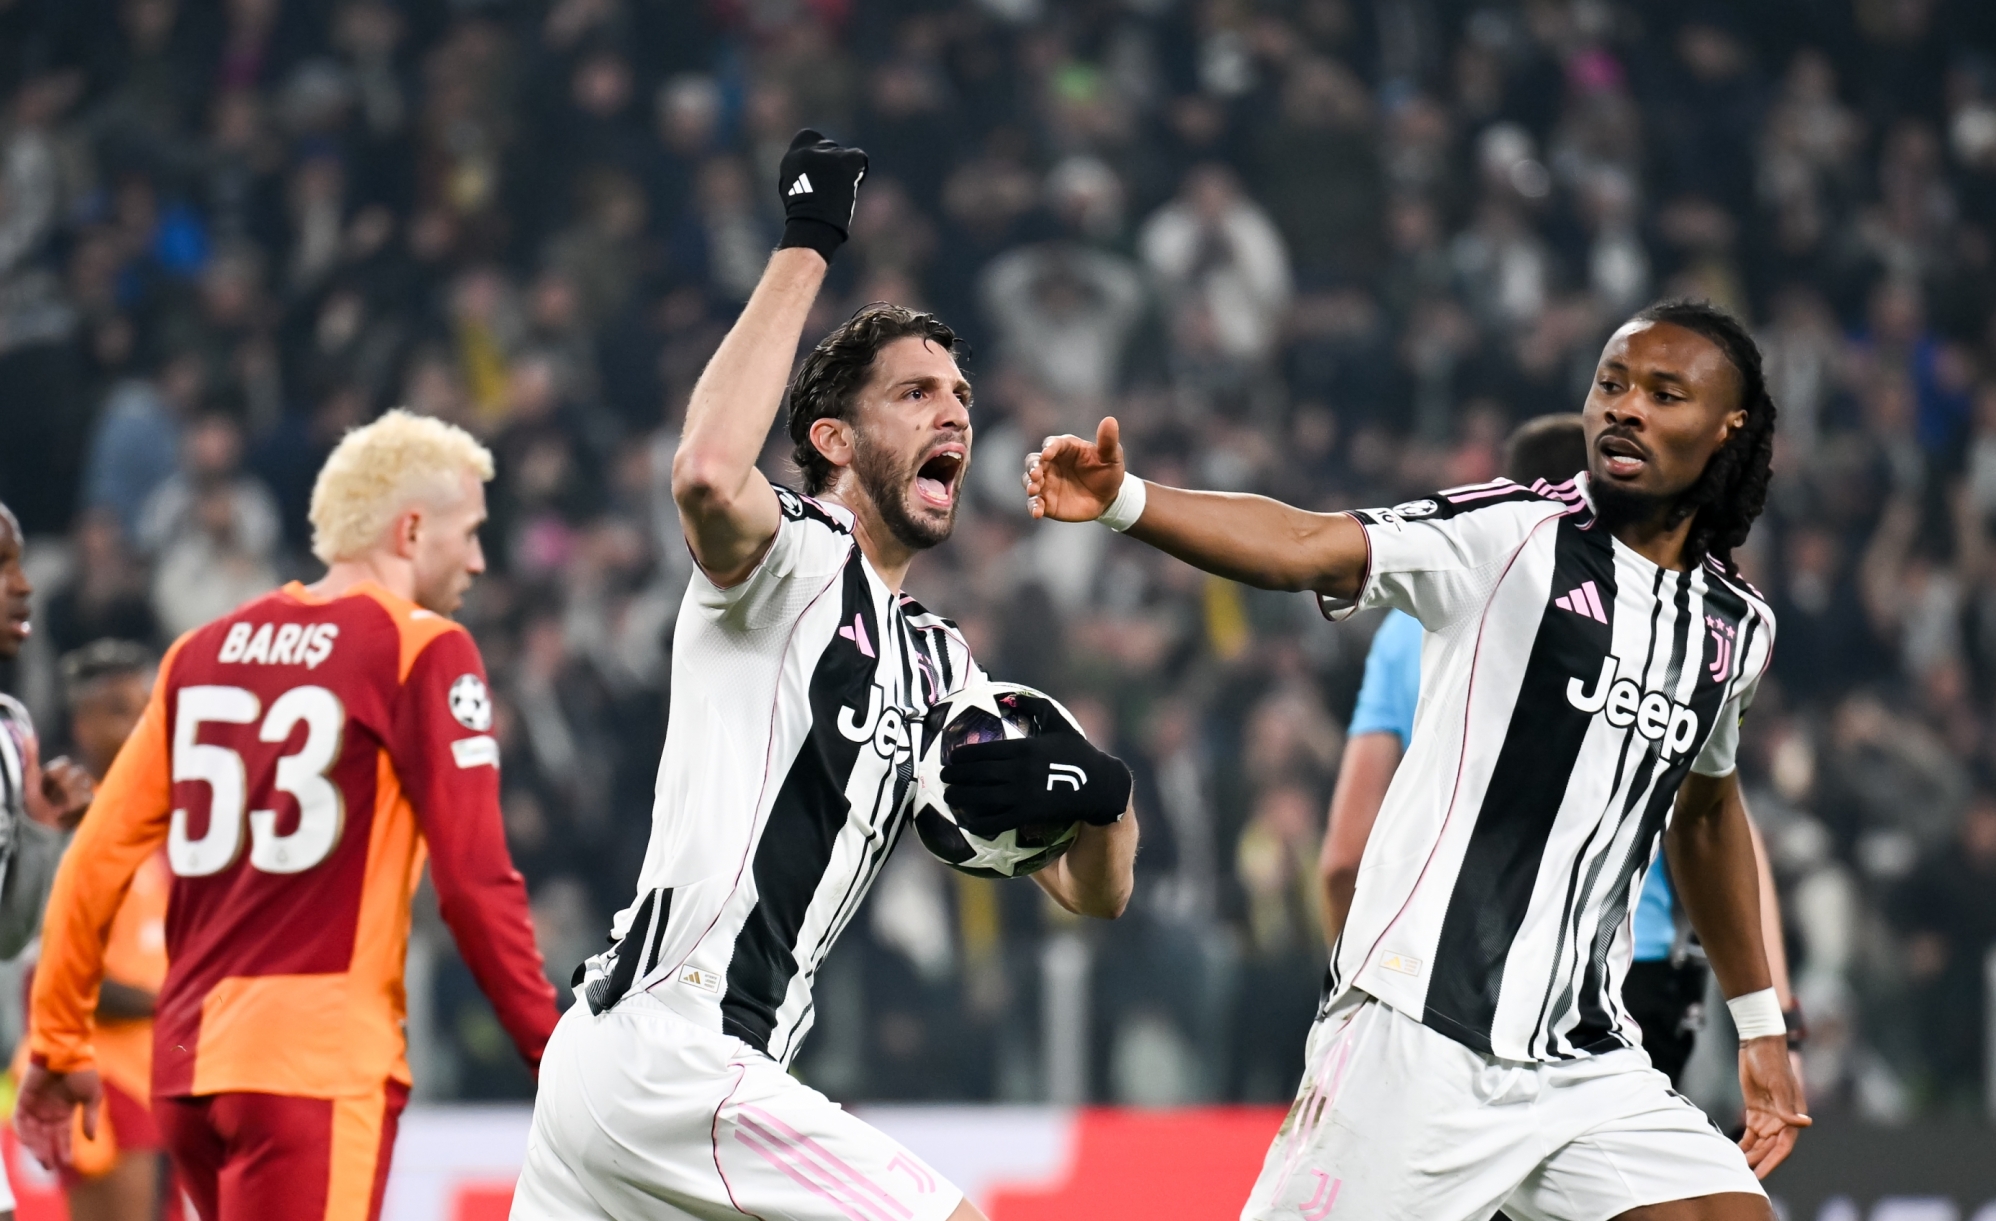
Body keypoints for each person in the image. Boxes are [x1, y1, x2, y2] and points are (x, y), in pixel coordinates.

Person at [1028, 300, 1809, 1221]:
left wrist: (1761, 1028)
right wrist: (1127, 500)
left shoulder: (1733, 628)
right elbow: (1308, 543)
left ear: (1731, 428)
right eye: (1611, 384)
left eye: (1663, 393)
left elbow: (1708, 814)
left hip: (1582, 1057)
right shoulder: (1510, 535)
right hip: (1416, 1036)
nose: (1625, 408)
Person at [511, 132, 1138, 1221]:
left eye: (962, 396)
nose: (956, 414)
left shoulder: (946, 670)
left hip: (653, 1081)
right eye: (916, 394)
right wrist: (809, 241)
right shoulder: (792, 554)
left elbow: (1095, 892)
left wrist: (1105, 794)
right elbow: (708, 469)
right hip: (674, 1050)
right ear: (833, 439)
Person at [18, 411, 562, 1221]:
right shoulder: (423, 649)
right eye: (471, 532)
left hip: (189, 1072)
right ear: (412, 529)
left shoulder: (201, 651)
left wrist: (57, 1044)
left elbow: (94, 858)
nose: (480, 559)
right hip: (312, 1065)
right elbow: (475, 883)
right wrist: (552, 1052)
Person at [1324, 414, 1804, 1088]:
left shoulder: (1407, 631)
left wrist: (1366, 995)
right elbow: (1720, 828)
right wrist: (1776, 1014)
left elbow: (1343, 855)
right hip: (1626, 974)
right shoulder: (1669, 631)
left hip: (1444, 966)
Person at [0, 501, 100, 1221]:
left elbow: (6, 938)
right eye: (1, 565)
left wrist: (38, 830)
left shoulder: (13, 732)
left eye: (20, 562)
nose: (24, 584)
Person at [50, 640, 168, 1221]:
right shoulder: (70, 828)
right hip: (106, 1076)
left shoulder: (162, 819)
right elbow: (65, 978)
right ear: (82, 723)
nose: (143, 724)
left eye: (148, 707)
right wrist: (177, 1005)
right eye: (122, 710)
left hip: (165, 1074)